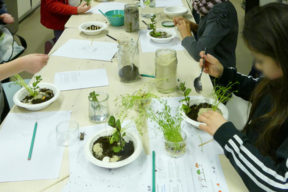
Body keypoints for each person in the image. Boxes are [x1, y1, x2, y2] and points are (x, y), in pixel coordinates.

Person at [197, 3, 288, 191]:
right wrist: (224, 74)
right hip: (251, 156)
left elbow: (280, 183)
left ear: (282, 58)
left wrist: (228, 135)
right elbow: (261, 89)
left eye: (261, 61)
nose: (257, 66)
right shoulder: (280, 79)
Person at [173, 0, 238, 68]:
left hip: (216, 72)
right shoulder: (212, 4)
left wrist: (186, 35)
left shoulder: (219, 13)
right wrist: (193, 26)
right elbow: (212, 33)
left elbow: (198, 53)